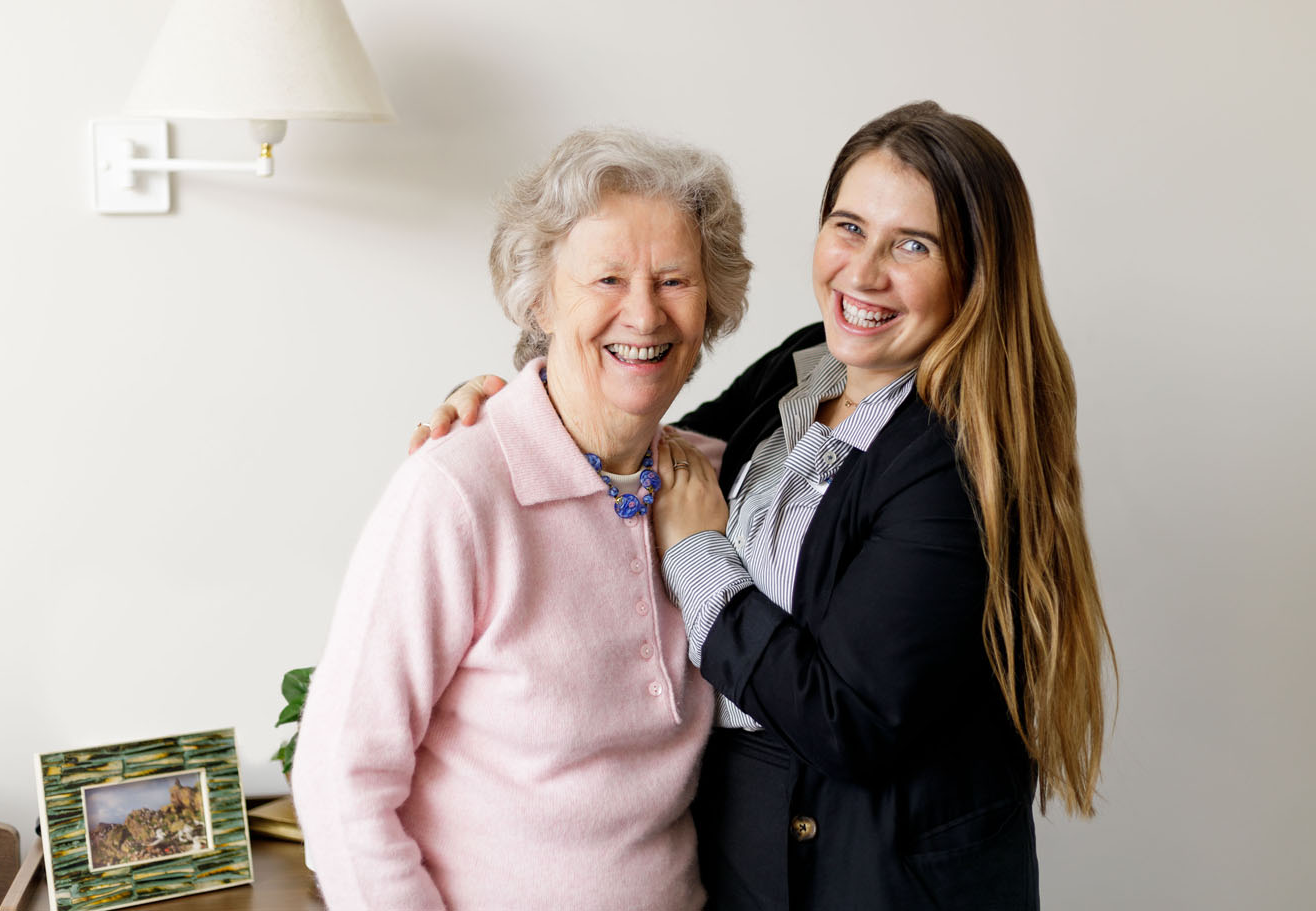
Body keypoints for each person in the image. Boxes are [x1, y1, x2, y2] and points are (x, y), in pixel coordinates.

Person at [416, 101, 1115, 910]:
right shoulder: (807, 362)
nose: (862, 273)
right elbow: (641, 447)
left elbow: (843, 718)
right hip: (747, 850)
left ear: (974, 273)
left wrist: (696, 554)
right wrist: (506, 409)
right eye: (849, 228)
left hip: (882, 877)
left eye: (912, 245)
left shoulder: (955, 460)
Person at [292, 127, 752, 910]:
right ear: (539, 296)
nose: (643, 314)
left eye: (673, 279)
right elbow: (341, 778)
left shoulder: (716, 484)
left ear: (710, 302)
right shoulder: (455, 491)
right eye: (606, 277)